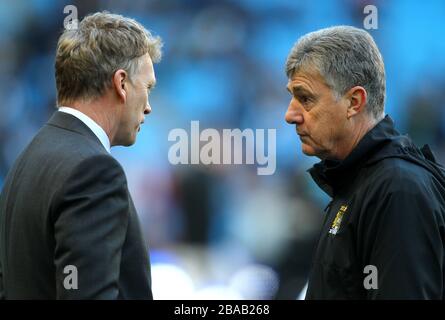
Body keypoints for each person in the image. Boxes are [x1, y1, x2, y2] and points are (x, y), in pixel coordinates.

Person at [0, 12, 162, 299]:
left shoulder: (26, 160)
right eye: (146, 88)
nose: (148, 107)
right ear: (121, 83)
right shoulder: (94, 170)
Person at [284, 26, 445, 299]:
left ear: (354, 102)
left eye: (305, 98)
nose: (290, 115)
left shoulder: (397, 189)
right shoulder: (356, 181)